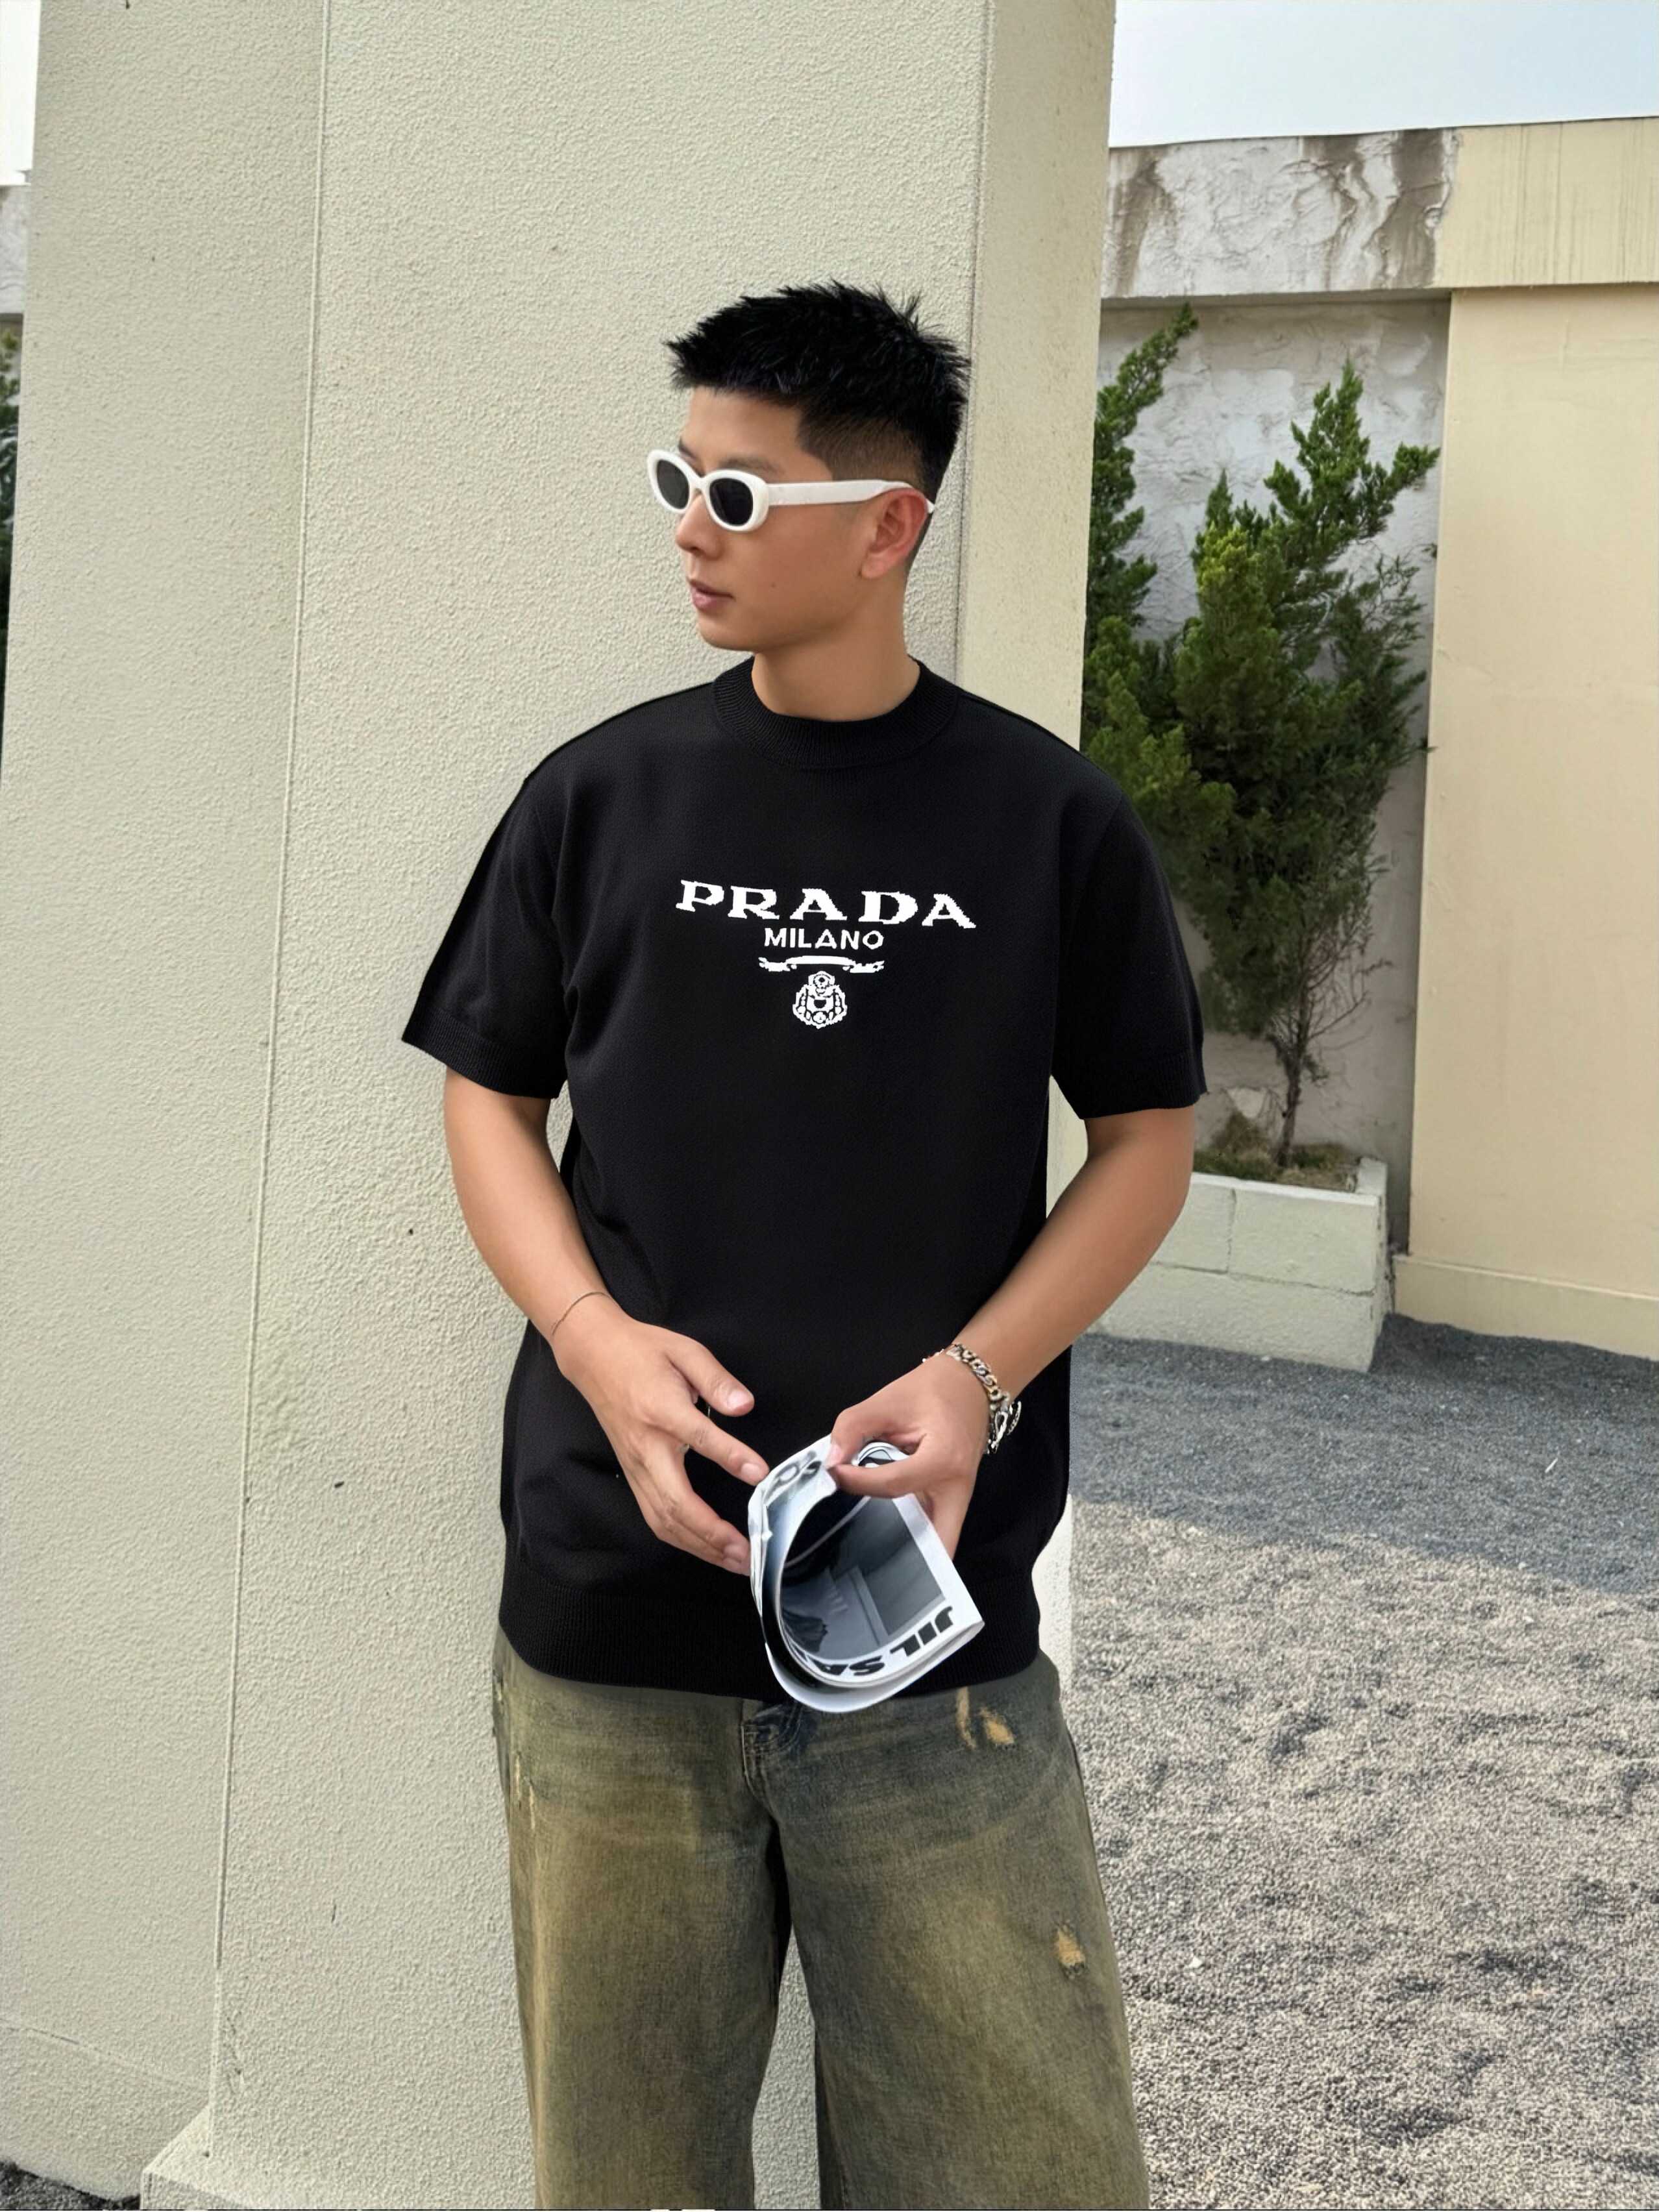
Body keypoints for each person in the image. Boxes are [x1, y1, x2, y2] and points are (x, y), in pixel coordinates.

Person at [400, 276, 1206, 2211]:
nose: (692, 527)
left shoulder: (1046, 820)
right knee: (627, 2178)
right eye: (678, 479)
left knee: (1009, 2176)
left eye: (742, 494)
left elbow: (1147, 1142)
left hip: (928, 1629)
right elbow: (488, 1095)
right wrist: (592, 1338)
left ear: (888, 526)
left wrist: (978, 1376)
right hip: (614, 1618)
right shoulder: (601, 795)